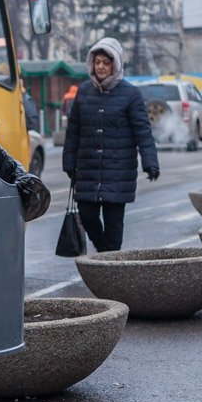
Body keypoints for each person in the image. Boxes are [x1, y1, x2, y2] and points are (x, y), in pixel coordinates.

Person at [62, 37, 159, 252]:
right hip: (88, 170)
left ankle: (110, 266)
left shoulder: (131, 94)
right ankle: (105, 253)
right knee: (87, 215)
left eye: (106, 62)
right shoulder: (84, 92)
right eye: (97, 62)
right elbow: (74, 130)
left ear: (116, 64)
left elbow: (142, 131)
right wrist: (69, 161)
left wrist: (150, 162)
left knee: (114, 224)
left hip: (118, 170)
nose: (101, 67)